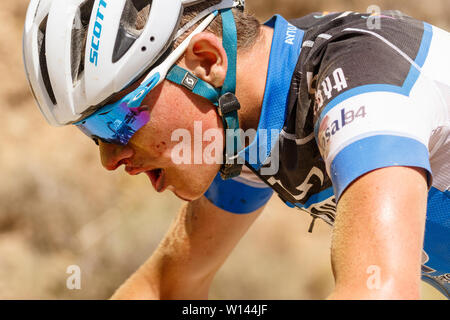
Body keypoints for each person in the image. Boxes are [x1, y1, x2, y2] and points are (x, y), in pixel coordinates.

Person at [23, 0, 449, 299]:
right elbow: (166, 288)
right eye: (91, 133)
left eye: (115, 121)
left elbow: (380, 292)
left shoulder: (363, 81)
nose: (108, 158)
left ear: (206, 61)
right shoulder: (241, 131)